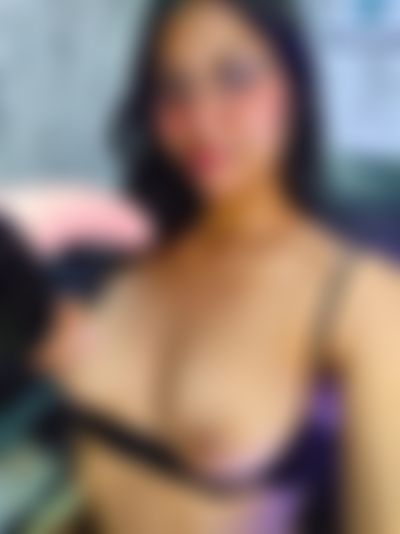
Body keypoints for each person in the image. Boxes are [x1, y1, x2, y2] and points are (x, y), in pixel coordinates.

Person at [1, 1, 399, 533]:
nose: (201, 121)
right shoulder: (127, 252)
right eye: (172, 88)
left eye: (234, 77)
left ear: (296, 85)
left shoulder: (361, 298)